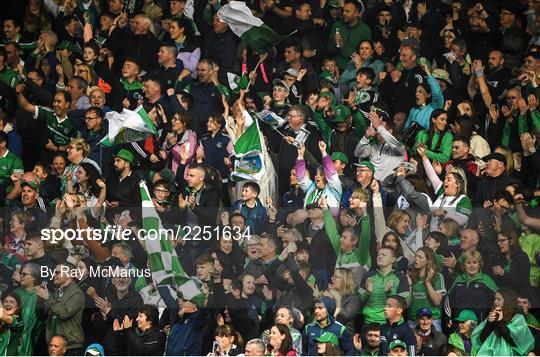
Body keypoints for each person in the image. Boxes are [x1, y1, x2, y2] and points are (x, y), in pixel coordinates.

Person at [34, 262, 85, 355]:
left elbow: (63, 313)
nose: (54, 275)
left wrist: (48, 298)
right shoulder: (56, 293)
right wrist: (40, 300)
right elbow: (40, 316)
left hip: (71, 347)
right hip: (53, 346)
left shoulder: (77, 294)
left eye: (57, 273)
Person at [471, 288, 535, 355]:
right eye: (495, 299)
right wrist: (489, 323)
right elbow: (482, 340)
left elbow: (514, 342)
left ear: (508, 301)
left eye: (499, 299)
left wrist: (500, 322)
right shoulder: (492, 315)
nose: (495, 302)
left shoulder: (518, 318)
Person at [447, 250, 498, 322]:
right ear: (463, 265)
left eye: (474, 262)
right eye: (468, 263)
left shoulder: (486, 280)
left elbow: (499, 299)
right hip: (460, 322)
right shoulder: (458, 280)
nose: (471, 265)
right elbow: (448, 299)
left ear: (479, 264)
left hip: (480, 324)